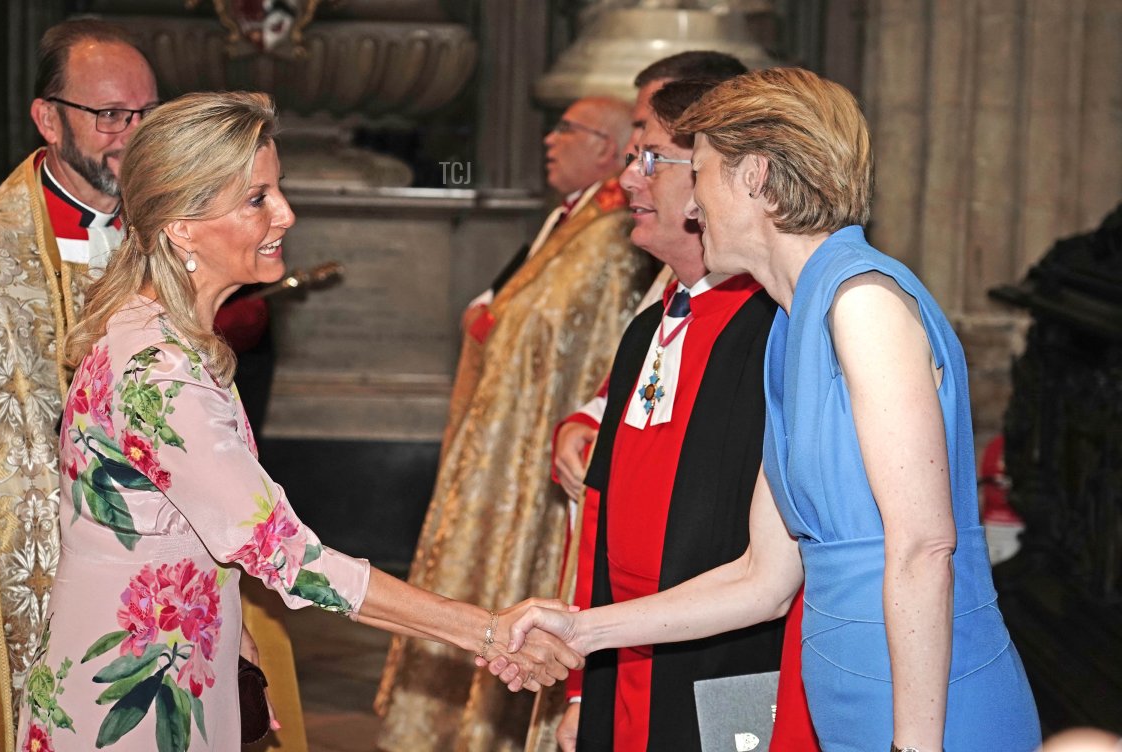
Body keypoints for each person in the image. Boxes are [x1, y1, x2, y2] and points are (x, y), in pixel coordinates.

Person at [12, 90, 580, 752]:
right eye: (256, 199)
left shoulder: (162, 335)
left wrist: (231, 637)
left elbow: (181, 528)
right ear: (182, 224)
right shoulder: (159, 374)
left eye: (276, 190)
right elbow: (287, 556)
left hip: (149, 671)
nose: (286, 213)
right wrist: (482, 630)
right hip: (131, 708)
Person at [504, 67, 1042, 751]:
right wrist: (582, 631)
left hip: (929, 711)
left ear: (754, 175)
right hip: (844, 699)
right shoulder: (790, 326)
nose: (691, 207)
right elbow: (761, 581)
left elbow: (924, 547)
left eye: (697, 174)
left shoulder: (862, 304)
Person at [375, 95, 652, 752]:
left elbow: (571, 338)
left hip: (536, 455)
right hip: (503, 445)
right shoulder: (572, 217)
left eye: (568, 130)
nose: (550, 140)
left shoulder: (612, 235)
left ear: (609, 152)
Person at [0, 19, 159, 750]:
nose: (131, 134)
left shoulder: (174, 233)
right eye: (109, 115)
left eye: (147, 115)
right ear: (48, 118)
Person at [551, 73, 790, 752]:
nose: (629, 181)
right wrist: (579, 683)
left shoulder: (772, 330)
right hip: (620, 654)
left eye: (651, 159)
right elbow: (599, 509)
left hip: (719, 666)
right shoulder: (648, 325)